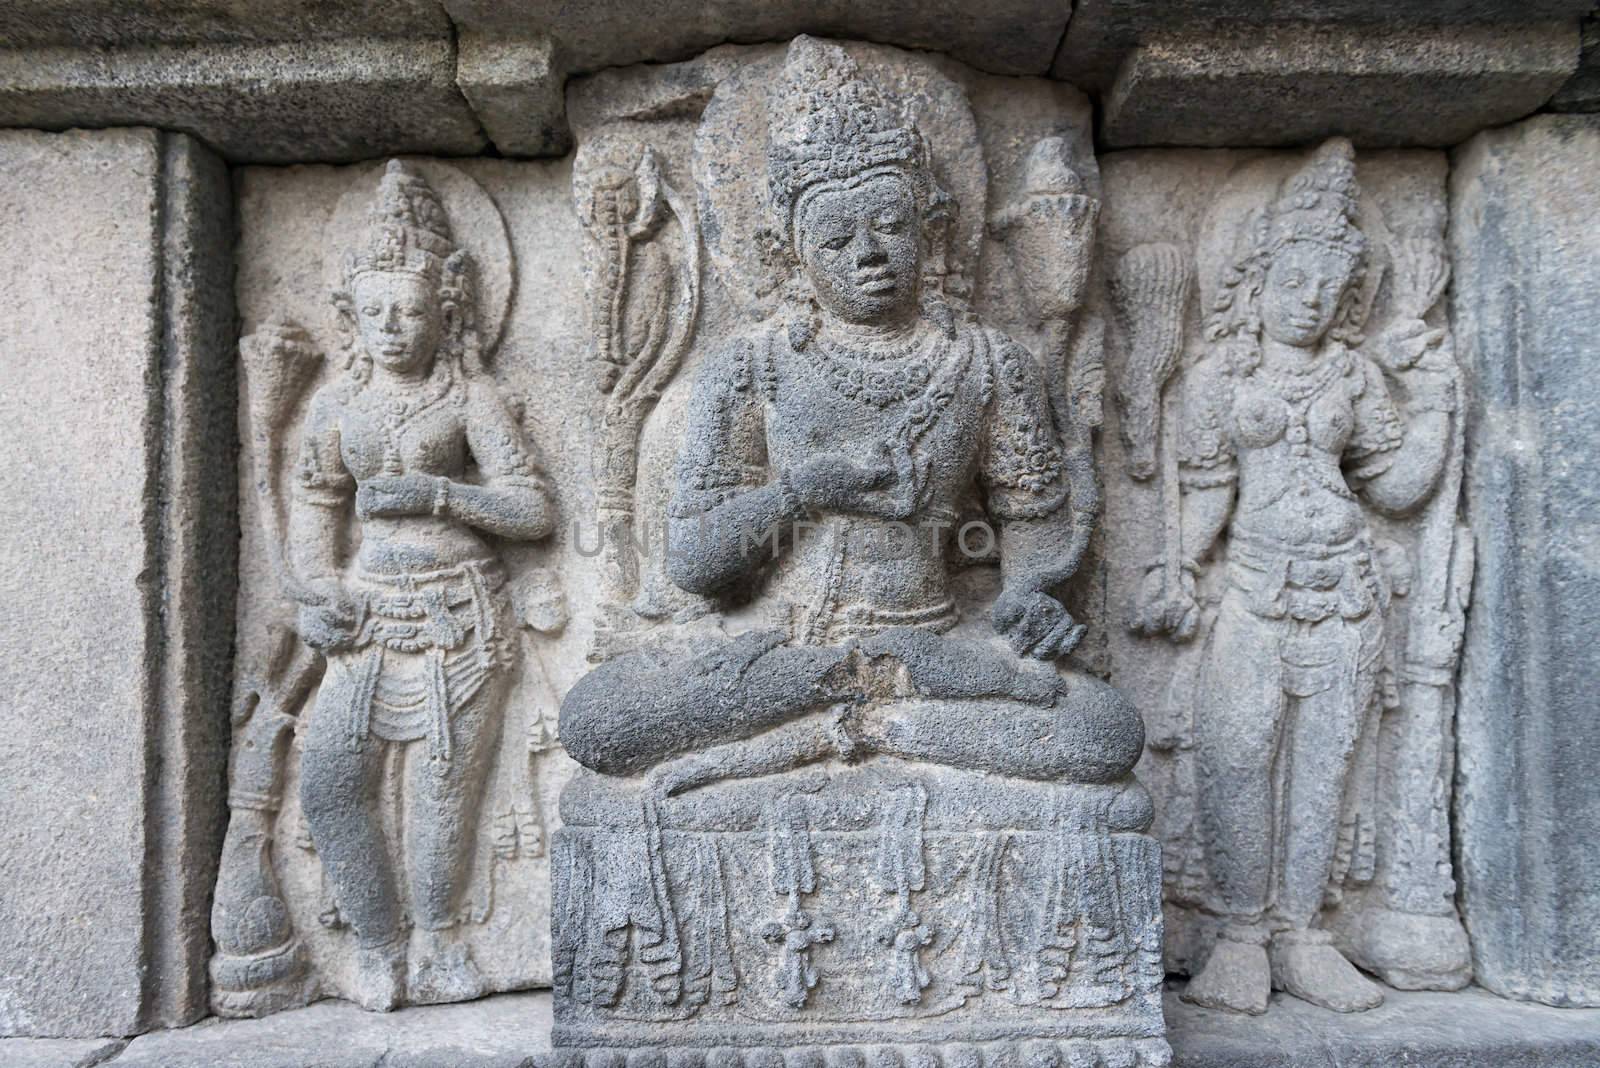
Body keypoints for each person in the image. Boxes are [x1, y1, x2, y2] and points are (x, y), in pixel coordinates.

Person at [560, 37, 1143, 798]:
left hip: (931, 640)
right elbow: (695, 561)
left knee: (1105, 734)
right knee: (597, 722)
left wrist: (1029, 601)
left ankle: (861, 727)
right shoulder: (753, 366)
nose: (868, 253)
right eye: (835, 237)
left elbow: (1031, 527)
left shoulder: (990, 365)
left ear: (933, 228)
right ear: (789, 251)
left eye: (891, 227)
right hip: (784, 646)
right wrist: (803, 491)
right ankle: (856, 708)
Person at [1133, 138, 1458, 1014]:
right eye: (1294, 280)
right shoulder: (1218, 376)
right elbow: (1206, 497)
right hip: (1256, 588)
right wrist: (1174, 565)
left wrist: (1432, 402)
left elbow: (1392, 484)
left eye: (1329, 285)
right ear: (1256, 279)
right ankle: (1239, 934)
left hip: (1348, 591)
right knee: (1240, 754)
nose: (1310, 300)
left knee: (1327, 766)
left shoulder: (1354, 375)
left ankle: (1306, 935)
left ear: (1351, 293)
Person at [288, 161, 555, 1010]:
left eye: (407, 309)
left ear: (447, 310)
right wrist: (315, 586)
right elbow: (315, 502)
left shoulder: (471, 399)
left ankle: (438, 941)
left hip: (460, 620)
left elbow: (532, 509)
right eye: (373, 313)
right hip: (367, 617)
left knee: (443, 790)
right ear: (352, 320)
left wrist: (443, 494)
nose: (392, 327)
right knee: (331, 780)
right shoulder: (336, 407)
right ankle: (375, 942)